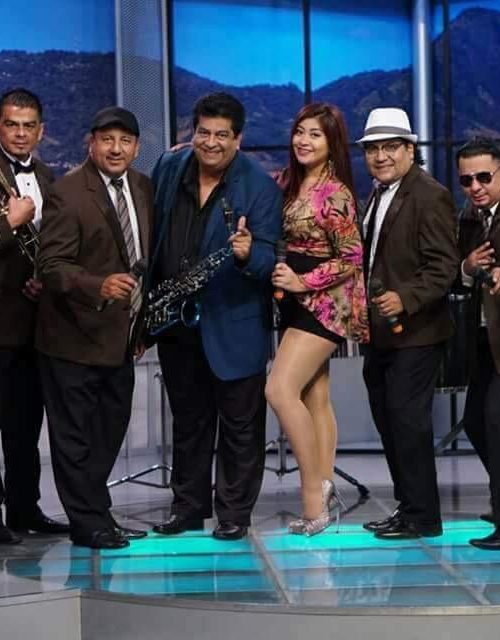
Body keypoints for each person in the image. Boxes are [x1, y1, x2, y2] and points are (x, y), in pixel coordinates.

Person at [149, 92, 282, 541]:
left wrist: (248, 255)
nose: (210, 143)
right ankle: (187, 508)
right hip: (177, 324)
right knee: (188, 422)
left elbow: (269, 259)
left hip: (234, 324)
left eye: (221, 135)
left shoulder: (260, 188)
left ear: (238, 139)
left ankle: (233, 514)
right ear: (193, 132)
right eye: (203, 132)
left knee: (240, 428)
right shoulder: (169, 167)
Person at [36, 107, 154, 549]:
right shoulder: (68, 193)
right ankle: (88, 523)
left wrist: (142, 326)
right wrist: (97, 285)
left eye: (125, 141)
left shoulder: (143, 187)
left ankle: (97, 513)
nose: (116, 149)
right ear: (92, 143)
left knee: (109, 431)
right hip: (72, 338)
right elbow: (51, 266)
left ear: (136, 148)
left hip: (121, 339)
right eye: (107, 140)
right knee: (75, 439)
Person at [265, 103, 369, 536]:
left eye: (315, 134)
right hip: (293, 299)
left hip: (325, 302)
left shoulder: (335, 193)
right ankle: (324, 485)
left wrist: (303, 281)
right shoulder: (287, 182)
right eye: (300, 131)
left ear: (332, 143)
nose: (304, 141)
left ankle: (313, 499)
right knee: (315, 395)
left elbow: (352, 256)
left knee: (279, 389)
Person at [359, 107, 458, 540]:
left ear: (409, 149)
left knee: (407, 421)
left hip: (417, 331)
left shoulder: (429, 194)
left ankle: (423, 516)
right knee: (389, 419)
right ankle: (408, 507)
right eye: (373, 149)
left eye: (390, 147)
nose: (381, 156)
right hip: (380, 332)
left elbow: (444, 266)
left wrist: (406, 298)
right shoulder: (377, 194)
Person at [0, 88, 69, 544]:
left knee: (26, 425)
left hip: (36, 322)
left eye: (28, 126)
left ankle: (24, 509)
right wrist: (10, 221)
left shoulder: (46, 175)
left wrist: (45, 278)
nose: (20, 133)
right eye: (11, 124)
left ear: (41, 131)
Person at [455, 137, 500, 549]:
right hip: (485, 338)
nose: (475, 187)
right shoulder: (471, 219)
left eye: (484, 177)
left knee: (494, 421)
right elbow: (459, 275)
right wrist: (468, 268)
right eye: (467, 180)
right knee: (475, 421)